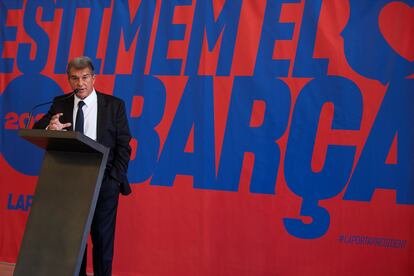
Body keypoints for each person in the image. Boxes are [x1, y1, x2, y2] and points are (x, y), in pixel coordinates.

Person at [33, 56, 132, 275]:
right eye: (75, 78)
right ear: (68, 80)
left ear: (94, 78)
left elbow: (124, 146)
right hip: (70, 183)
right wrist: (51, 127)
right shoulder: (61, 103)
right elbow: (38, 128)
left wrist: (114, 180)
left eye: (85, 77)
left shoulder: (114, 106)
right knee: (74, 243)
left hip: (104, 182)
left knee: (103, 242)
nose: (80, 83)